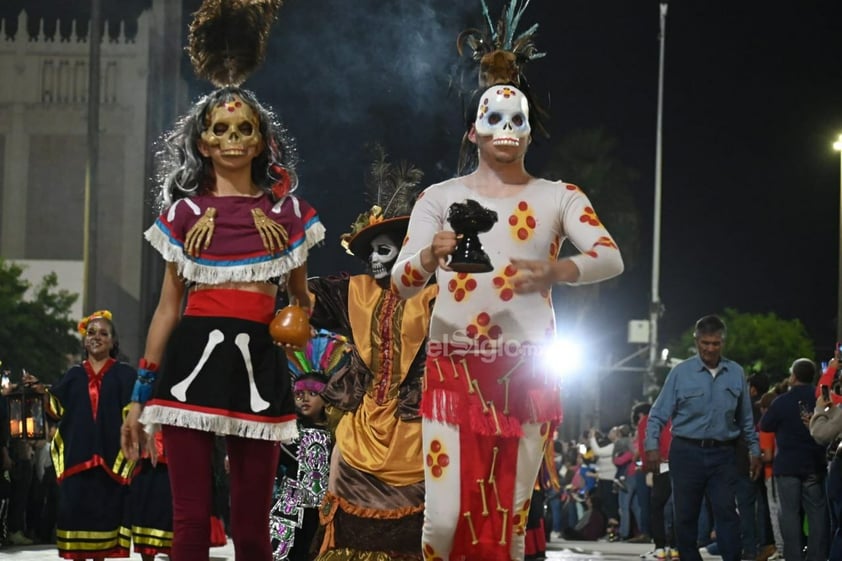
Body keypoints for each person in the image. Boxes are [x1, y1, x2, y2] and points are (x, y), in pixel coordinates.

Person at [391, 79, 623, 559]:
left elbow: (609, 256)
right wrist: (430, 257)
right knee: (443, 519)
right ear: (473, 131)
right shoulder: (438, 198)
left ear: (530, 133)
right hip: (453, 368)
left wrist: (558, 269)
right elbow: (401, 282)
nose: (507, 130)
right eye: (494, 119)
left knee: (509, 517)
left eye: (518, 120)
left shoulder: (560, 196)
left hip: (528, 372)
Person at [120, 83, 324, 561]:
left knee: (253, 525)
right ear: (203, 142)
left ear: (259, 141)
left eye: (244, 129)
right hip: (193, 363)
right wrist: (138, 397)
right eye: (220, 129)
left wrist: (291, 291)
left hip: (259, 363)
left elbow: (301, 302)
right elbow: (168, 307)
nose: (232, 138)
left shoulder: (288, 214)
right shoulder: (184, 215)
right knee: (189, 521)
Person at [309, 151, 435, 561]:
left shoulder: (437, 294)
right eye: (371, 253)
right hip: (361, 427)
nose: (376, 260)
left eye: (385, 250)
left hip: (416, 430)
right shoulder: (354, 291)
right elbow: (301, 294)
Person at [644, 314, 761, 561]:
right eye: (705, 343)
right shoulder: (680, 373)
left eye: (715, 343)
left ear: (723, 342)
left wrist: (755, 451)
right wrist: (652, 446)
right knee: (685, 517)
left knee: (727, 513)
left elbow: (747, 419)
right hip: (687, 453)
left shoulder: (736, 372)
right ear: (696, 341)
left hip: (723, 455)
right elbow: (657, 414)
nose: (710, 348)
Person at [26, 310, 136, 559]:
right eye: (91, 332)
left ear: (113, 342)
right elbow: (55, 408)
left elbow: (132, 413)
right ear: (85, 340)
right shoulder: (73, 374)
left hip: (110, 462)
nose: (96, 337)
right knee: (74, 521)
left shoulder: (125, 375)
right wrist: (41, 392)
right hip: (77, 459)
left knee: (104, 522)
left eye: (103, 333)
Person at [759, 358, 829, 561]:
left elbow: (766, 425)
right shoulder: (820, 398)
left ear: (794, 376)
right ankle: (817, 556)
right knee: (816, 514)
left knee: (789, 514)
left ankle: (794, 556)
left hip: (787, 466)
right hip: (814, 464)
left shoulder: (781, 402)